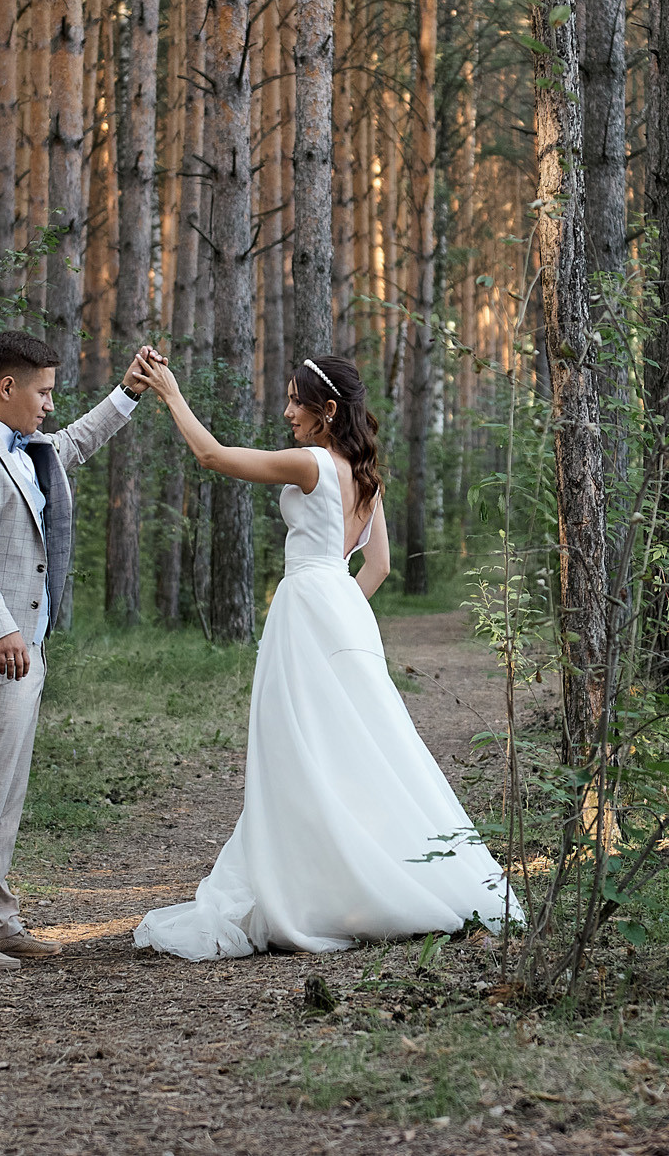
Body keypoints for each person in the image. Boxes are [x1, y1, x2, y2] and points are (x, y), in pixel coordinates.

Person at [131, 350, 512, 960]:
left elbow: (213, 457)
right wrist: (339, 605)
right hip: (344, 611)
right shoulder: (365, 474)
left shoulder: (312, 464)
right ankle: (399, 873)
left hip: (310, 605)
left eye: (293, 402)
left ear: (327, 410)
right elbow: (379, 566)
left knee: (299, 748)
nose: (286, 413)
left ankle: (318, 886)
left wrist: (173, 394)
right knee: (367, 747)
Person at [0, 330, 153, 970]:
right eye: (44, 392)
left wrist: (129, 391)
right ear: (8, 388)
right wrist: (1, 630)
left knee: (7, 794)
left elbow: (75, 442)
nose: (50, 404)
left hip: (28, 648)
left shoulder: (25, 446)